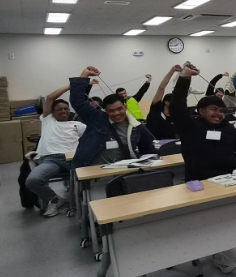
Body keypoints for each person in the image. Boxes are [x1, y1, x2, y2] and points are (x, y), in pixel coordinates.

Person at [170, 63, 236, 273]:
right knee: (212, 221)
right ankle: (217, 253)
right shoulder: (190, 127)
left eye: (221, 110)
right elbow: (177, 106)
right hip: (201, 183)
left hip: (229, 180)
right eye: (213, 109)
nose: (218, 113)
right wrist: (185, 78)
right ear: (201, 111)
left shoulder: (227, 129)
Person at [70, 67, 156, 168]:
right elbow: (77, 101)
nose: (117, 113)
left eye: (120, 109)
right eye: (111, 110)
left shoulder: (138, 128)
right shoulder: (97, 119)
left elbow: (149, 152)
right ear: (105, 111)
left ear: (125, 107)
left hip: (121, 172)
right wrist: (85, 74)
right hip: (89, 171)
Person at [25, 85, 87, 217]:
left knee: (88, 177)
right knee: (32, 181)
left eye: (66, 108)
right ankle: (56, 200)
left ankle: (85, 204)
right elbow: (50, 98)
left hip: (73, 158)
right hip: (51, 160)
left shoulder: (77, 125)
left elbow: (92, 138)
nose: (63, 111)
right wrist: (73, 84)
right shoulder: (48, 121)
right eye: (59, 109)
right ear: (52, 112)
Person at [145, 65, 182, 140]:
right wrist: (172, 71)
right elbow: (161, 88)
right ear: (166, 102)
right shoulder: (156, 110)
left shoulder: (176, 117)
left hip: (171, 144)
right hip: (153, 143)